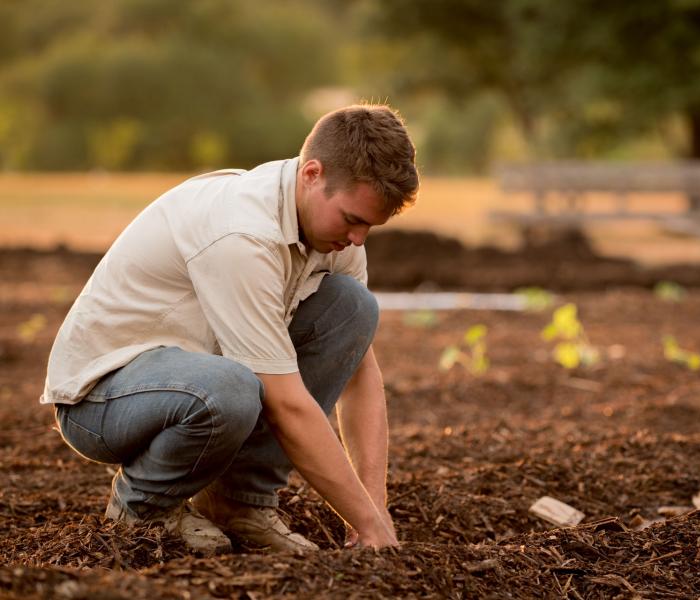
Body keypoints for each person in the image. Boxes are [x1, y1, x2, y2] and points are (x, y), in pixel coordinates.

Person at [40, 104, 419, 556]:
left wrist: (374, 511)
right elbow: (286, 404)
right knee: (232, 388)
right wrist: (365, 521)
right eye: (353, 219)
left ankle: (239, 502)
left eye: (369, 226)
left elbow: (358, 372)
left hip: (195, 377)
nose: (358, 239)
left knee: (352, 307)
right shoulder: (243, 234)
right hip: (101, 398)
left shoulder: (333, 235)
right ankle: (144, 507)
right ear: (312, 174)